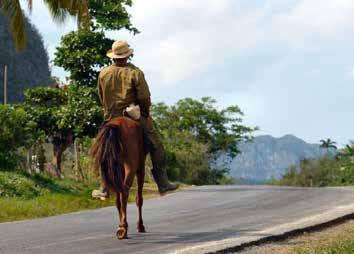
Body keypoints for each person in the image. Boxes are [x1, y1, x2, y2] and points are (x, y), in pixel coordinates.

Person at [92, 40, 179, 199]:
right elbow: (144, 97)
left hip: (110, 117)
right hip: (132, 115)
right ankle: (163, 183)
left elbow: (101, 96)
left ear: (113, 56)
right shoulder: (135, 73)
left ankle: (103, 187)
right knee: (156, 144)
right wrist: (144, 113)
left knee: (103, 149)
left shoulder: (103, 73)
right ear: (128, 56)